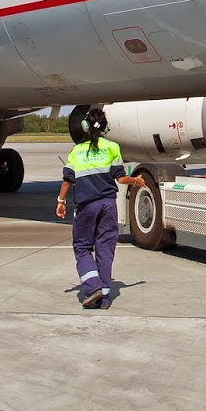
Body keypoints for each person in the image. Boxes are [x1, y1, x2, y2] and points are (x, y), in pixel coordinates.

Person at [56, 108, 145, 309]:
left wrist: (61, 202)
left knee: (82, 247)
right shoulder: (112, 147)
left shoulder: (77, 151)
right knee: (105, 249)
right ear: (106, 127)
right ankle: (104, 298)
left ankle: (93, 286)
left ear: (85, 127)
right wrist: (136, 181)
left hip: (87, 205)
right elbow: (121, 178)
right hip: (108, 205)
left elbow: (67, 181)